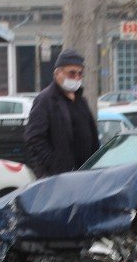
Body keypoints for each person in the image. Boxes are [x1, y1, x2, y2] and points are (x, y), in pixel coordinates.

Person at [24, 48, 100, 178]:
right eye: (71, 73)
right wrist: (56, 166)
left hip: (85, 177)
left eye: (80, 74)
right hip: (57, 179)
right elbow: (34, 139)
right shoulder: (45, 101)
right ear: (57, 73)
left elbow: (93, 138)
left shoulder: (81, 101)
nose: (76, 78)